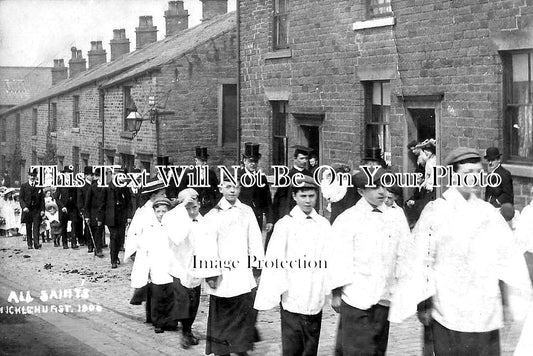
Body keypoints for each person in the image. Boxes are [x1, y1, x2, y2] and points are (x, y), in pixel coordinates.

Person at [389, 147, 532, 356]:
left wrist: (516, 297)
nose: (474, 178)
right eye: (467, 173)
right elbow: (422, 259)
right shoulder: (436, 212)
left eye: (477, 172)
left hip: (484, 311)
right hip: (449, 309)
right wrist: (423, 303)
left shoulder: (489, 214)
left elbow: (508, 257)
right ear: (453, 176)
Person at [328, 167, 410, 355]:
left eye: (383, 186)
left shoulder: (396, 217)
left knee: (377, 350)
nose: (381, 191)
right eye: (373, 187)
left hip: (383, 297)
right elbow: (338, 257)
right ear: (361, 191)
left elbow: (404, 253)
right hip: (356, 298)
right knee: (358, 350)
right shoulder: (348, 219)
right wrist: (336, 293)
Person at [254, 176, 330, 356]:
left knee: (311, 343)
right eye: (303, 196)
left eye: (311, 196)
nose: (308, 201)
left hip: (315, 291)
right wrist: (275, 289)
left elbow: (330, 256)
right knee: (293, 343)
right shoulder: (285, 225)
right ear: (295, 196)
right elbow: (275, 259)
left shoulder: (323, 225)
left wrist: (329, 287)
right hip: (293, 292)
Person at [204, 178, 265, 356]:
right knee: (222, 313)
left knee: (243, 311)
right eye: (228, 186)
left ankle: (240, 347)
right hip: (221, 272)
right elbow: (207, 246)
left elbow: (255, 239)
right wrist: (211, 273)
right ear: (221, 188)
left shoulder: (246, 211)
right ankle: (221, 350)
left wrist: (257, 265)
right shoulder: (213, 215)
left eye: (236, 187)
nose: (232, 190)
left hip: (241, 272)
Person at [163, 188, 219, 349]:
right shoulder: (172, 218)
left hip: (196, 268)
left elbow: (209, 243)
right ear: (180, 205)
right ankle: (184, 332)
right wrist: (184, 211)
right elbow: (178, 237)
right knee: (184, 300)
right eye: (188, 206)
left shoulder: (202, 220)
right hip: (179, 266)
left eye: (195, 205)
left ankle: (187, 329)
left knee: (194, 301)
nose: (192, 210)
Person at [125, 195, 177, 334]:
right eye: (158, 211)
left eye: (164, 211)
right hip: (156, 265)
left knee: (171, 294)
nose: (161, 214)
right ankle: (158, 321)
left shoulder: (173, 226)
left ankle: (171, 320)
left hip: (170, 264)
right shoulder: (150, 227)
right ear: (154, 212)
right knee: (158, 295)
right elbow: (143, 243)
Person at [237, 142, 273, 234]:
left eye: (255, 161)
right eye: (250, 161)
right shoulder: (238, 176)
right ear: (244, 161)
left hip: (257, 217)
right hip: (240, 217)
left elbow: (267, 200)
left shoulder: (261, 178)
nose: (253, 164)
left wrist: (269, 220)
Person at [272, 145, 313, 224]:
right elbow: (280, 199)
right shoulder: (287, 176)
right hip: (290, 212)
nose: (304, 161)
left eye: (306, 158)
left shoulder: (309, 175)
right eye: (301, 158)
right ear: (295, 159)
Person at [101, 167, 132, 268]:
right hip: (111, 217)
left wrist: (128, 216)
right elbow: (102, 203)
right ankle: (113, 260)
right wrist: (100, 218)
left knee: (120, 238)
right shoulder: (107, 187)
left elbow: (129, 203)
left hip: (121, 217)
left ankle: (116, 255)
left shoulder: (125, 187)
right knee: (114, 236)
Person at [177, 146, 220, 216]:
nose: (205, 163)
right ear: (196, 160)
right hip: (193, 207)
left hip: (209, 207)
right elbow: (181, 190)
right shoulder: (188, 173)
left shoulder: (211, 173)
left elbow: (217, 190)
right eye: (202, 161)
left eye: (206, 160)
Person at [54, 166, 80, 249]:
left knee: (74, 224)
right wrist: (62, 206)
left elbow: (77, 196)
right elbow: (56, 197)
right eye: (68, 172)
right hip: (64, 208)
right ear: (64, 174)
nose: (69, 174)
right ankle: (64, 243)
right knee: (64, 226)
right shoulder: (60, 184)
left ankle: (73, 242)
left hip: (72, 207)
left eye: (71, 173)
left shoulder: (74, 183)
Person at [19, 168, 44, 249]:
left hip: (36, 210)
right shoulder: (24, 186)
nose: (32, 177)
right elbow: (21, 198)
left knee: (36, 226)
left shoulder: (39, 186)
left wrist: (42, 210)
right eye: (31, 175)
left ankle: (36, 243)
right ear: (28, 176)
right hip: (28, 210)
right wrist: (24, 207)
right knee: (28, 227)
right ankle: (29, 243)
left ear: (36, 176)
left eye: (34, 176)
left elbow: (42, 200)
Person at [84, 167, 104, 257]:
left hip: (102, 212)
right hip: (93, 213)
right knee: (94, 230)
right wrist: (87, 216)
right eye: (98, 176)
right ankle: (95, 247)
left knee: (100, 230)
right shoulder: (92, 187)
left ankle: (98, 248)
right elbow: (87, 203)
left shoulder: (105, 186)